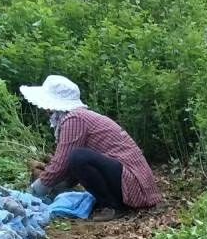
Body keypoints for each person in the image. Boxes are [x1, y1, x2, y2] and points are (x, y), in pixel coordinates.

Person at [20, 75, 159, 220]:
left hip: (132, 182)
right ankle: (110, 201)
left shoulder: (74, 119)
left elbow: (62, 163)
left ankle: (112, 206)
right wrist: (57, 187)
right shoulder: (78, 117)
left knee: (78, 157)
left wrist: (35, 190)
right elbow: (66, 166)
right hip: (131, 179)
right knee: (76, 157)